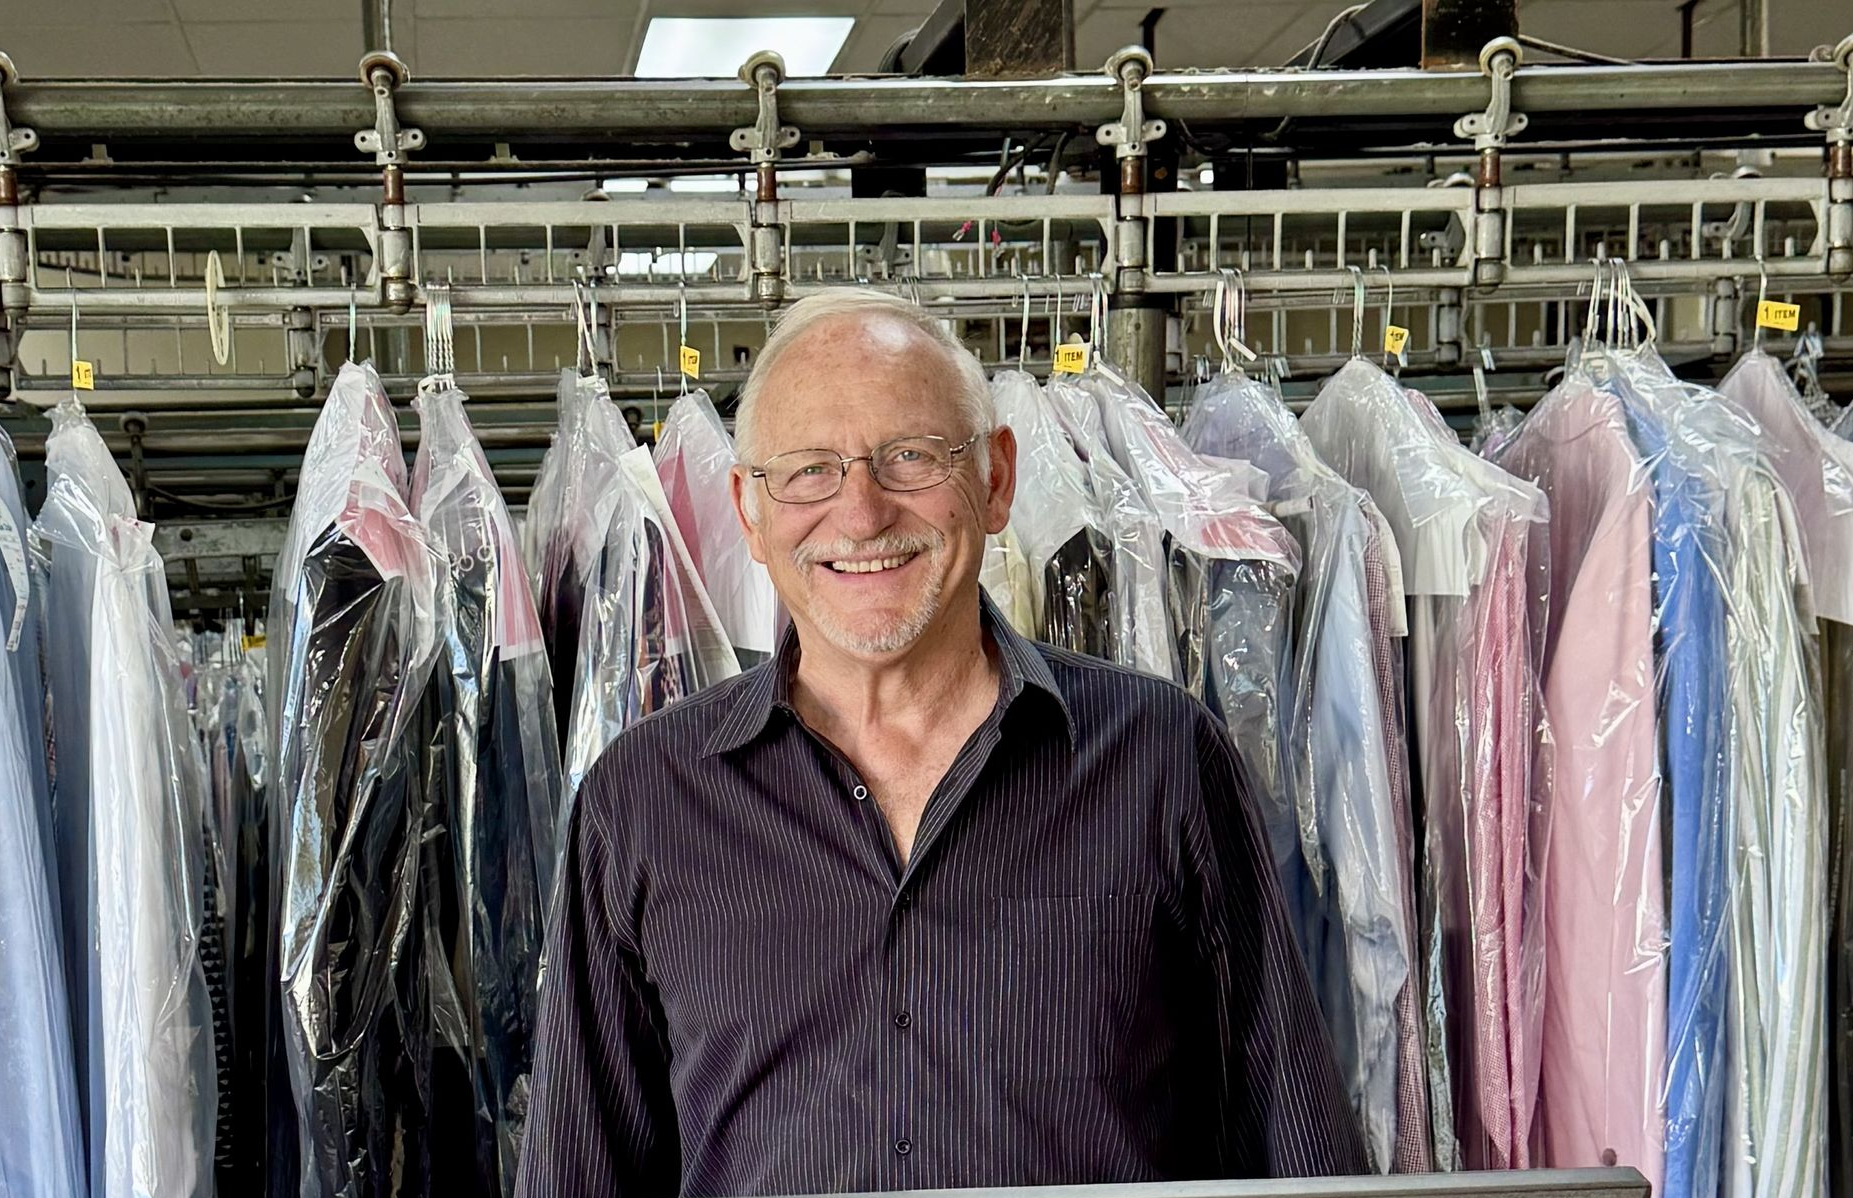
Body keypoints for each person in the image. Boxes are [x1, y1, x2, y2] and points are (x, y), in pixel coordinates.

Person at [517, 289, 1368, 1197]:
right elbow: (582, 1172)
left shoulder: (1163, 760)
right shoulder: (643, 799)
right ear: (749, 514)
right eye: (808, 470)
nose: (862, 512)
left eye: (911, 457)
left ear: (997, 479)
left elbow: (1292, 1144)